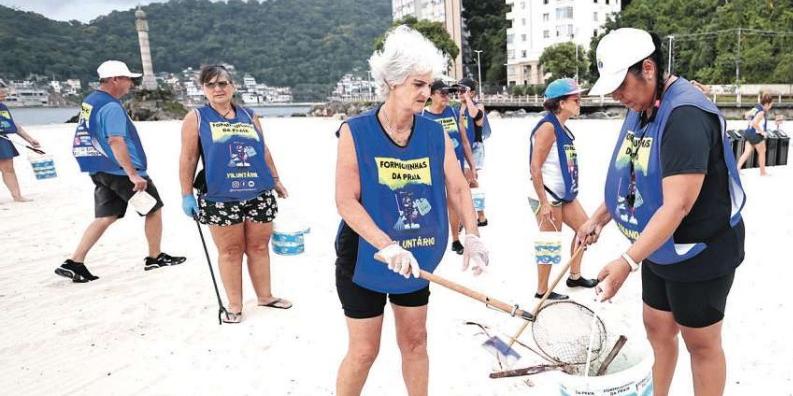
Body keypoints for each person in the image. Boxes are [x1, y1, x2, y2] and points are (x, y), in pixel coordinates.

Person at [579, 28, 746, 396]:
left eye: (620, 86)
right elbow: (634, 176)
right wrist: (599, 218)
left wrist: (626, 261)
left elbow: (678, 205)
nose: (617, 96)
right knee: (657, 325)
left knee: (700, 342)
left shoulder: (685, 115)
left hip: (699, 246)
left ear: (649, 69)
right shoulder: (642, 107)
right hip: (656, 244)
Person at [334, 26, 488, 396]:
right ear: (391, 81)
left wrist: (472, 235)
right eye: (418, 84)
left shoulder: (434, 133)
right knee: (364, 350)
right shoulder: (355, 131)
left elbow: (457, 186)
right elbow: (345, 201)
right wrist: (386, 246)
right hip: (366, 258)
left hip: (417, 257)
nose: (427, 93)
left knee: (416, 342)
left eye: (429, 84)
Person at [55, 60, 185, 283]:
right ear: (115, 79)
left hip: (100, 168)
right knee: (153, 208)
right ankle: (154, 257)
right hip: (121, 172)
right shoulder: (111, 107)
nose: (131, 84)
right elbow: (115, 140)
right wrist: (133, 174)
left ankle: (74, 262)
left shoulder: (91, 100)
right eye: (128, 79)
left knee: (107, 216)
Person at [179, 65, 290, 324]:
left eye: (223, 83)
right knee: (230, 251)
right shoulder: (196, 118)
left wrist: (275, 179)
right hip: (220, 196)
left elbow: (262, 150)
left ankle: (265, 296)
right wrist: (186, 194)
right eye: (211, 85)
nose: (218, 89)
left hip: (258, 191)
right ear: (203, 89)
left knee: (259, 247)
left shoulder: (249, 115)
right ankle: (235, 304)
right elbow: (188, 158)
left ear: (233, 86)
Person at [528, 78, 598, 301]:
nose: (580, 102)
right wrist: (544, 203)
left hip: (564, 193)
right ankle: (541, 290)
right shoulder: (548, 127)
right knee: (549, 242)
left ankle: (574, 276)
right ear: (560, 103)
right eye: (575, 98)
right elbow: (535, 167)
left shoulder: (561, 127)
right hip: (547, 194)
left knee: (585, 230)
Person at [422, 80, 477, 255]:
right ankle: (428, 238)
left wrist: (472, 165)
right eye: (442, 93)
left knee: (454, 203)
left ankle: (455, 239)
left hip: (456, 166)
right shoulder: (423, 116)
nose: (447, 97)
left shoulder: (453, 112)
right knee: (433, 203)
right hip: (433, 168)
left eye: (448, 93)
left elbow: (465, 141)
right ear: (431, 95)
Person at [458, 77, 491, 226]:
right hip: (462, 148)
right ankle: (481, 217)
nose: (459, 93)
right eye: (458, 90)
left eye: (463, 90)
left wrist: (467, 98)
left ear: (472, 93)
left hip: (475, 148)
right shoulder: (457, 108)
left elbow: (474, 115)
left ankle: (462, 219)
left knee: (467, 181)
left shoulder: (479, 106)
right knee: (470, 182)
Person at [0, 88, 41, 202]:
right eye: (1, 92)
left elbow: (12, 125)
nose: (4, 94)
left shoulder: (3, 107)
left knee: (8, 168)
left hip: (2, 140)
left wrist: (29, 139)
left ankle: (17, 196)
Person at [736, 93, 773, 175]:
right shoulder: (761, 112)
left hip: (748, 133)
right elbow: (755, 123)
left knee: (747, 152)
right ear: (766, 104)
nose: (770, 107)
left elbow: (746, 115)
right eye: (770, 105)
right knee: (762, 152)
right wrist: (762, 132)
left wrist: (749, 121)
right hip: (756, 135)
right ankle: (763, 172)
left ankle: (737, 169)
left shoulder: (756, 108)